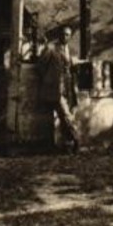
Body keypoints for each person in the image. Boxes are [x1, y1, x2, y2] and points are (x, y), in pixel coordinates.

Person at [37, 24, 80, 152]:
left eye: (67, 34)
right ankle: (76, 139)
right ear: (59, 35)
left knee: (63, 116)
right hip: (55, 88)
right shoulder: (51, 48)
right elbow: (40, 66)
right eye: (62, 34)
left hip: (68, 87)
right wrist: (49, 79)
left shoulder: (71, 49)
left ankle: (67, 146)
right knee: (65, 114)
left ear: (70, 36)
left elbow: (72, 67)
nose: (64, 36)